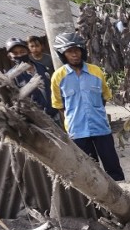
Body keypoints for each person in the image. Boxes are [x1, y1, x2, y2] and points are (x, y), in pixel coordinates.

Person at [50, 32, 126, 181]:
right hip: (77, 132)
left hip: (101, 128)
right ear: (63, 54)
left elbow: (104, 97)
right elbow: (59, 106)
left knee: (113, 167)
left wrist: (95, 111)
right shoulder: (58, 77)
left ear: (82, 51)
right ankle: (98, 203)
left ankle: (126, 197)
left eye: (77, 50)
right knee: (90, 172)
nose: (74, 55)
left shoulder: (96, 71)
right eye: (70, 51)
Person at [5, 37, 55, 119]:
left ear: (28, 51)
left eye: (22, 51)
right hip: (38, 120)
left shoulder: (42, 67)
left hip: (55, 113)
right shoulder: (11, 77)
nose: (19, 55)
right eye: (15, 53)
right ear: (10, 56)